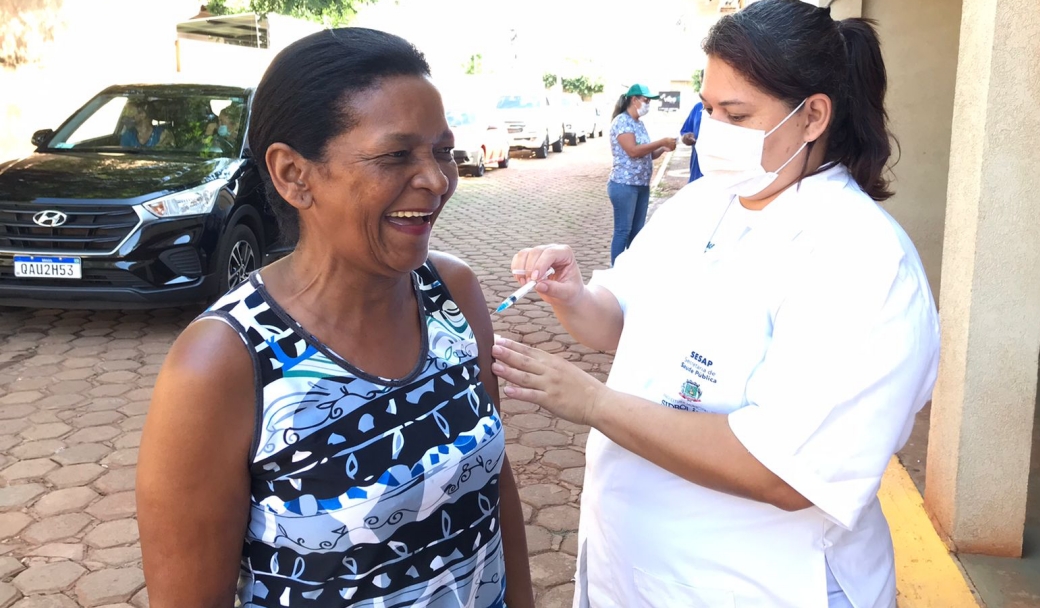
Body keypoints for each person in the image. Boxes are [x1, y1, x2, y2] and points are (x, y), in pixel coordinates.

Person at [489, 1, 940, 607]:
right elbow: (616, 321)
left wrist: (593, 402)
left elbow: (780, 472)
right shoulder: (707, 203)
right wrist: (572, 294)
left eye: (736, 113)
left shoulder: (861, 260)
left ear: (812, 116)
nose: (712, 127)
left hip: (756, 583)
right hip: (635, 568)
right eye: (708, 106)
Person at [136, 28, 533, 608]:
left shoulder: (453, 293)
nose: (436, 179)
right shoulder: (223, 363)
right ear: (294, 175)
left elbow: (492, 486)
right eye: (396, 155)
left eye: (441, 150)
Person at [607, 84, 677, 264]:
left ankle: (630, 268)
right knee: (623, 230)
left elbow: (648, 154)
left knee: (637, 231)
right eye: (646, 101)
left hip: (641, 185)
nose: (648, 105)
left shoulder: (639, 123)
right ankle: (616, 271)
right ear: (634, 99)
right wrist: (660, 141)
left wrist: (663, 148)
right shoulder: (622, 121)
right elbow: (633, 151)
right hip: (624, 185)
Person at [680, 100, 705, 182]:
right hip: (697, 171)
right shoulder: (699, 107)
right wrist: (686, 138)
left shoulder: (732, 110)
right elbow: (686, 131)